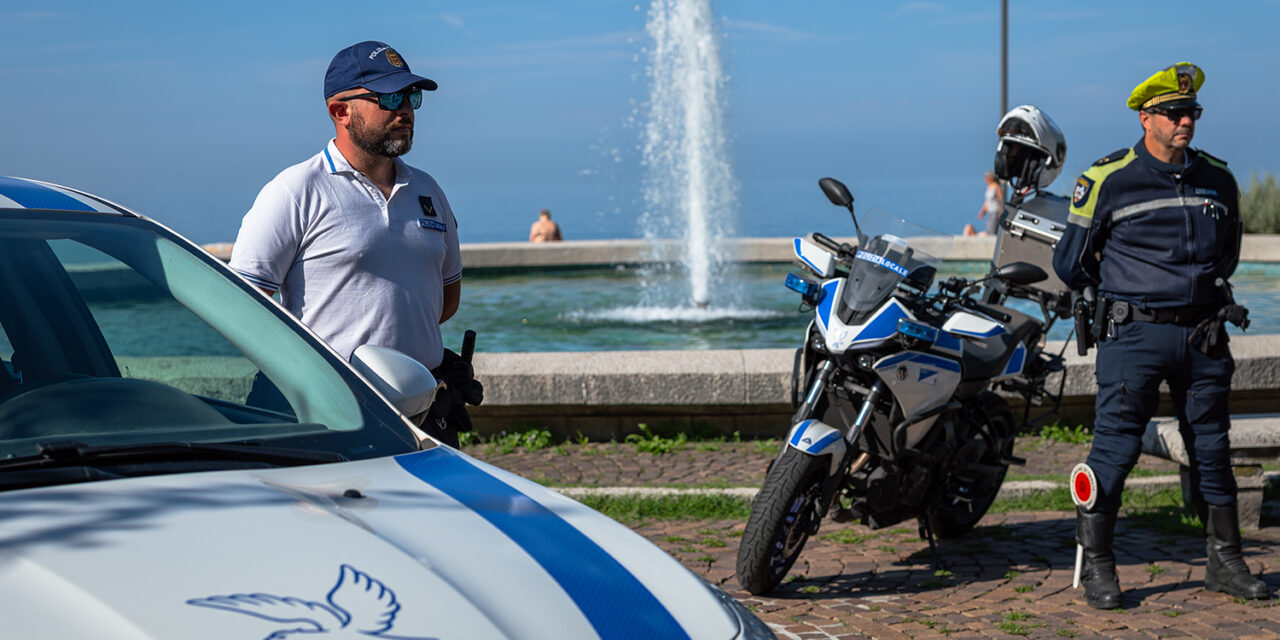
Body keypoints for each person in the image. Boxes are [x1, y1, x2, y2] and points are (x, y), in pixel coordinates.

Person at [1052, 62, 1266, 609]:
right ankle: (1100, 567)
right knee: (1115, 451)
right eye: (1174, 113)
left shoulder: (1218, 178)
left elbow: (1229, 253)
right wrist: (1124, 298)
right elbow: (1072, 263)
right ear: (1146, 118)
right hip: (1135, 337)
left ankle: (1226, 562)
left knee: (1213, 450)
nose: (1185, 121)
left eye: (1191, 112)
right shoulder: (1108, 178)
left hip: (1204, 335)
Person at [229, 41, 480, 447]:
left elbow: (445, 301)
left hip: (428, 415)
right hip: (328, 415)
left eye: (411, 97)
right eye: (389, 97)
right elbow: (242, 313)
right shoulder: (294, 192)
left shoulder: (429, 190)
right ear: (340, 111)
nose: (406, 110)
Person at [977, 171, 1004, 235]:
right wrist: (982, 212)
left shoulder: (996, 186)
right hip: (990, 211)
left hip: (995, 211)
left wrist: (1000, 212)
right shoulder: (989, 187)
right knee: (988, 229)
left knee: (992, 231)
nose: (985, 179)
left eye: (986, 177)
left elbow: (1000, 200)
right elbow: (987, 201)